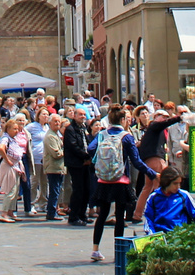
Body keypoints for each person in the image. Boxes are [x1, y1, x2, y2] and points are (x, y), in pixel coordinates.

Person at [88, 105, 151, 263]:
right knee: (120, 217)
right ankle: (118, 252)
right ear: (122, 120)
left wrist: (99, 160)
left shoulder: (102, 134)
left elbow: (90, 148)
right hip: (121, 179)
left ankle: (95, 249)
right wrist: (152, 173)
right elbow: (136, 161)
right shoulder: (126, 137)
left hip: (103, 179)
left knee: (102, 215)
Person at [131, 109, 180, 221]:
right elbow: (165, 123)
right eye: (162, 116)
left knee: (147, 188)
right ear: (156, 117)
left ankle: (137, 214)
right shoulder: (155, 126)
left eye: (166, 116)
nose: (165, 118)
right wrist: (178, 118)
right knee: (161, 187)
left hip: (149, 161)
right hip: (156, 160)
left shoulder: (152, 129)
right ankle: (159, 214)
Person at [142, 167, 195, 234]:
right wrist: (152, 235)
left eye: (179, 183)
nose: (178, 186)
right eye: (175, 183)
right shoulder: (153, 197)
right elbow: (148, 220)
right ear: (166, 182)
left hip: (180, 235)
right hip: (160, 236)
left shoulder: (184, 195)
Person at [64, 107, 93, 227]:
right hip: (76, 163)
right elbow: (73, 146)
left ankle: (82, 214)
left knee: (87, 190)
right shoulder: (70, 129)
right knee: (78, 190)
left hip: (85, 163)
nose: (82, 117)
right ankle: (74, 216)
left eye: (84, 115)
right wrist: (86, 156)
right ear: (74, 116)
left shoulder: (83, 128)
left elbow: (87, 143)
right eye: (80, 115)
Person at [0, 118, 28, 223]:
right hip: (9, 166)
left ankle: (10, 212)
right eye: (14, 129)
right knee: (10, 190)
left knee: (15, 191)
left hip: (15, 166)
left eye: (17, 129)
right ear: (8, 129)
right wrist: (7, 159)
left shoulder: (13, 138)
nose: (17, 131)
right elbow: (1, 148)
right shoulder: (6, 138)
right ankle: (3, 213)